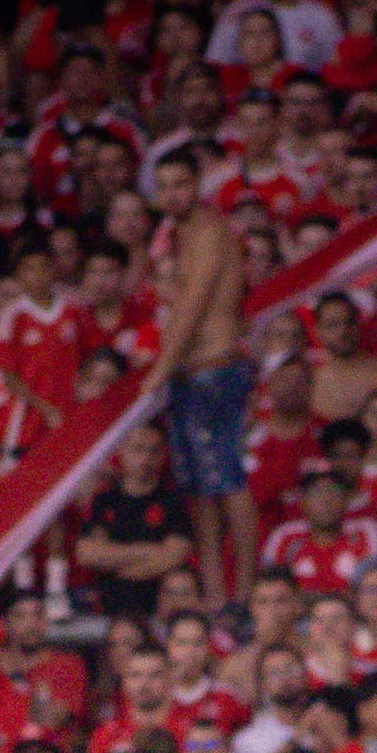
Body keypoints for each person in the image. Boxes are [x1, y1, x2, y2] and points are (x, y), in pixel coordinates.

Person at [146, 148, 257, 605]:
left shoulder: (210, 232)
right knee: (203, 494)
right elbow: (182, 300)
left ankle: (247, 593)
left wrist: (158, 371)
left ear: (198, 184)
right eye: (164, 186)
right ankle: (215, 597)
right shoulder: (183, 234)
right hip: (192, 376)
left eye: (180, 184)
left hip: (214, 368)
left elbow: (193, 311)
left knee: (228, 482)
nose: (172, 195)